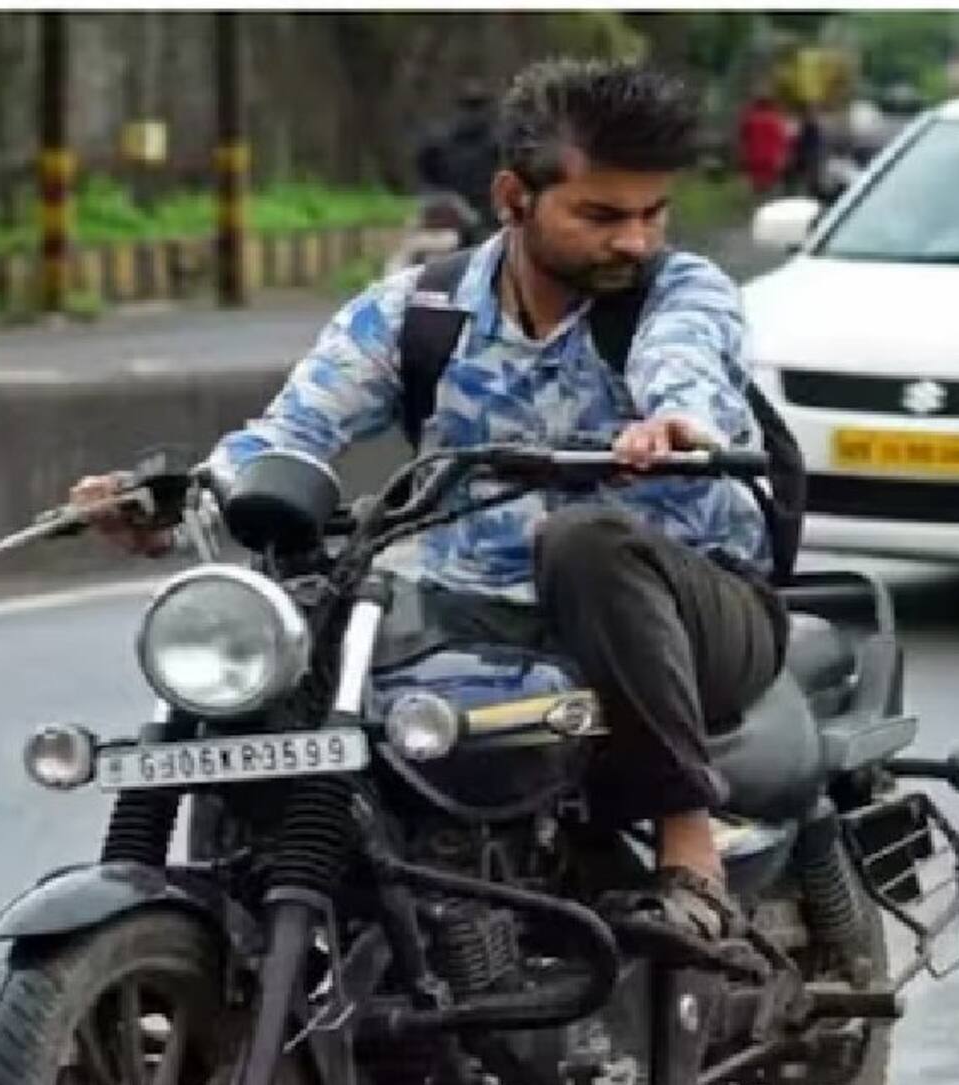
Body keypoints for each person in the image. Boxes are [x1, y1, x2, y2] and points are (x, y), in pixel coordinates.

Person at [72, 58, 787, 944]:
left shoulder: (679, 294)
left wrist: (676, 425)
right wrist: (167, 498)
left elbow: (687, 369)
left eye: (651, 215)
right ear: (512, 198)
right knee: (295, 616)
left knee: (584, 540)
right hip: (473, 616)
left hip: (690, 613)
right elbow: (292, 431)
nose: (635, 241)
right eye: (602, 215)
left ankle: (687, 843)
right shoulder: (417, 312)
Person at [414, 80, 502, 230]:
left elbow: (424, 171)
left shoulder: (439, 138)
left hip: (457, 210)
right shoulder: (496, 139)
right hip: (476, 210)